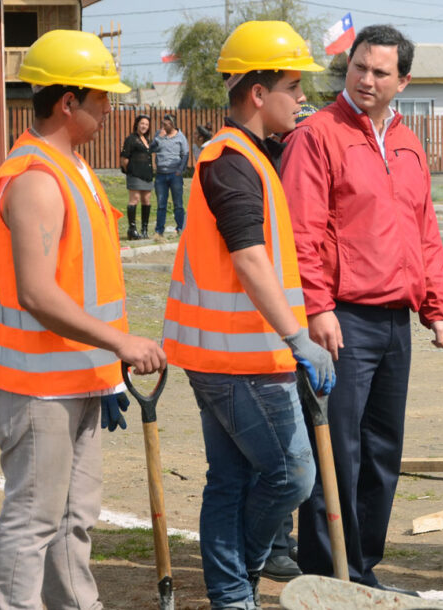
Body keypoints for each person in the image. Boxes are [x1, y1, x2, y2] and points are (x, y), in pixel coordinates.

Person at [0, 30, 166, 608]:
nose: (112, 109)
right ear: (67, 102)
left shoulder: (73, 165)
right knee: (34, 522)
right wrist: (120, 344)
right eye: (102, 97)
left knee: (73, 519)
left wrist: (106, 368)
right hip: (39, 388)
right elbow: (37, 292)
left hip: (80, 377)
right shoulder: (36, 177)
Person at [160, 21, 334, 608]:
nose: (303, 97)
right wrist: (296, 336)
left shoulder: (252, 155)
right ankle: (238, 583)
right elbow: (249, 257)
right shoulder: (231, 160)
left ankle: (231, 596)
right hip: (240, 357)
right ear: (258, 92)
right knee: (291, 475)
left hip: (233, 352)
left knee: (231, 480)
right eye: (293, 85)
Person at [281, 24, 443, 590]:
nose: (366, 79)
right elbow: (300, 232)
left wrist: (439, 308)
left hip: (396, 322)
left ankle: (364, 569)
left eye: (381, 72)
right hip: (342, 318)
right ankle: (330, 567)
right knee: (338, 450)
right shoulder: (317, 135)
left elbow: (422, 232)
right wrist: (317, 308)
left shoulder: (408, 144)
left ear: (402, 82)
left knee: (383, 452)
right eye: (359, 67)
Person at [261, 101, 318, 584]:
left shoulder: (297, 163)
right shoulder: (266, 165)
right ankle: (276, 544)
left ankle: (286, 540)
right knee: (282, 446)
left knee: (300, 439)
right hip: (271, 330)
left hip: (303, 322)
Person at [120, 114, 158, 239]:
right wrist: (129, 171)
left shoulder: (147, 140)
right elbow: (124, 158)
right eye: (142, 123)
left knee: (146, 200)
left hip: (146, 175)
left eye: (146, 124)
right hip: (134, 174)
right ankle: (132, 230)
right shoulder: (131, 139)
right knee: (134, 199)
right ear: (137, 124)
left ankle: (145, 230)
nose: (144, 126)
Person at [153, 112, 188, 238]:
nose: (163, 126)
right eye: (162, 123)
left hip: (175, 175)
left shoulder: (180, 137)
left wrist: (180, 170)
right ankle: (159, 231)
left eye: (166, 123)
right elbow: (151, 149)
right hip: (161, 175)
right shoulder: (159, 134)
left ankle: (180, 228)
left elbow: (185, 154)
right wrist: (159, 138)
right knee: (161, 204)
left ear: (172, 124)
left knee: (178, 203)